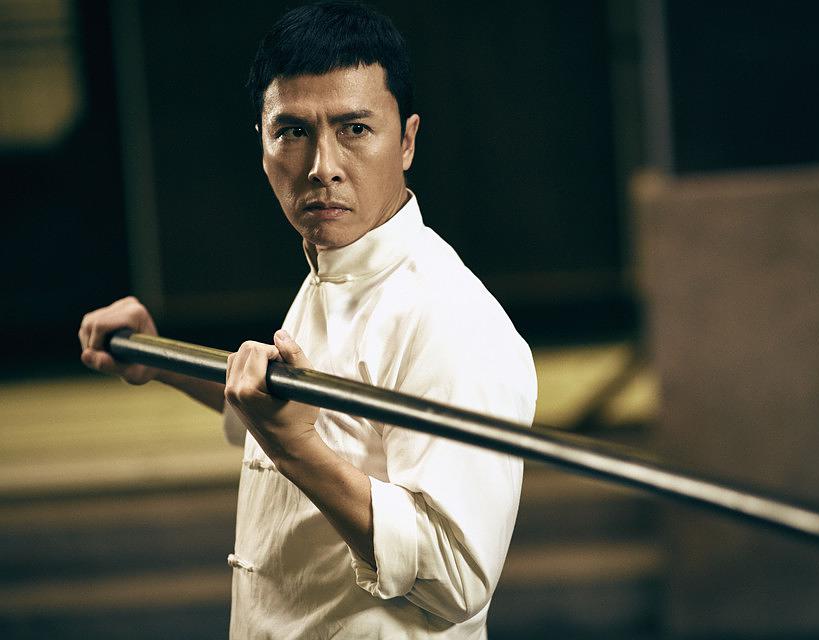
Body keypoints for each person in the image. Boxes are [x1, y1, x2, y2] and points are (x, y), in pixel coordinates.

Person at [77, 2, 537, 638]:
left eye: (355, 129)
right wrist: (160, 359)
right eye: (293, 131)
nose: (322, 166)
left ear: (406, 141)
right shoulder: (332, 268)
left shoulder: (454, 320)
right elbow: (300, 417)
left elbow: (457, 578)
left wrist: (294, 445)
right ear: (262, 142)